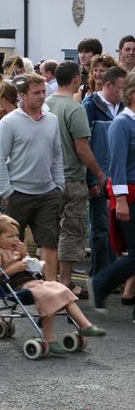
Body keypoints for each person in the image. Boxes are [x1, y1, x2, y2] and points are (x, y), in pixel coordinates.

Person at [0, 215, 105, 353]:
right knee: (48, 294)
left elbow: (34, 269)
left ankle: (85, 325)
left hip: (33, 282)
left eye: (17, 236)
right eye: (10, 236)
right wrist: (16, 267)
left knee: (61, 288)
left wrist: (25, 256)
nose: (16, 239)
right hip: (17, 286)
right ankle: (49, 337)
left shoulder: (16, 251)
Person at [0, 73, 64, 281]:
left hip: (48, 192)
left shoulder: (52, 120)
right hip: (18, 193)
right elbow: (0, 159)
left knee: (50, 243)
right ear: (23, 95)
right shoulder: (9, 122)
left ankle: (52, 288)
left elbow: (57, 155)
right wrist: (7, 191)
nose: (42, 96)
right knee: (12, 244)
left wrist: (58, 185)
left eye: (43, 91)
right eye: (36, 93)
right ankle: (14, 292)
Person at [45, 61, 107, 295]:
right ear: (76, 80)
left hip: (48, 180)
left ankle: (51, 279)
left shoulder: (45, 103)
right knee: (71, 230)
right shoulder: (75, 108)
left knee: (51, 231)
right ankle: (66, 282)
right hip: (71, 178)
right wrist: (99, 173)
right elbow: (82, 148)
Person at [88, 73, 135, 317]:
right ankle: (101, 282)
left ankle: (103, 283)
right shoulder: (122, 123)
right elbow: (116, 165)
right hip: (129, 196)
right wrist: (121, 200)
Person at [83, 66, 126, 276]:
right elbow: (84, 145)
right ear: (108, 85)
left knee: (116, 229)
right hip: (100, 178)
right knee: (101, 229)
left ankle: (111, 274)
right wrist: (91, 180)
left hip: (120, 178)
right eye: (120, 88)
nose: (124, 92)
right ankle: (101, 275)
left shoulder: (124, 107)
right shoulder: (90, 106)